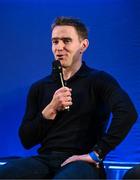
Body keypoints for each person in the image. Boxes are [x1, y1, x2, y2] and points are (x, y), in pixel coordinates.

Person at [0, 16, 138, 179]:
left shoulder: (99, 80)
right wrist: (50, 109)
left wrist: (96, 153)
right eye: (55, 41)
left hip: (81, 163)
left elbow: (128, 113)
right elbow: (26, 140)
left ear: (83, 45)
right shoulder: (40, 87)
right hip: (44, 160)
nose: (59, 47)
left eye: (66, 41)